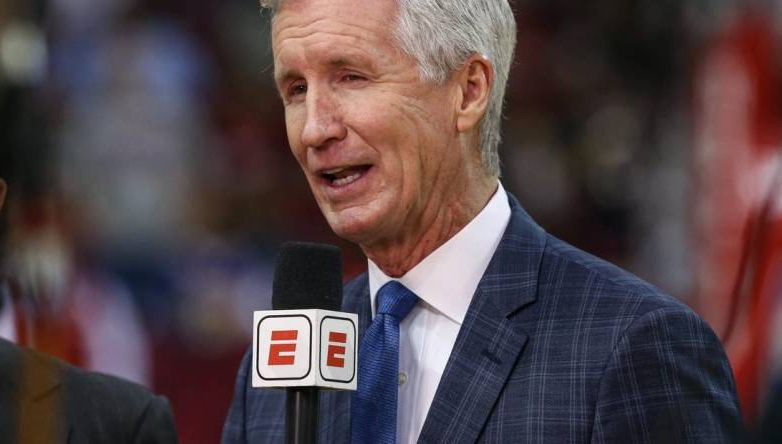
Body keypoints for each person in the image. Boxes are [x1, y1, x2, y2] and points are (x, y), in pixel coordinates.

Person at [222, 0, 744, 442]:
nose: (314, 128)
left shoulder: (633, 346)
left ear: (468, 90)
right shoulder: (272, 375)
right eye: (295, 89)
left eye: (351, 77)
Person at [0, 173, 179, 443]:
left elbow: (123, 378)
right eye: (34, 225)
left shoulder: (123, 421)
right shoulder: (6, 298)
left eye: (52, 224)